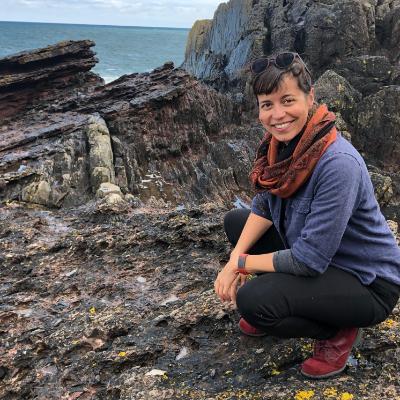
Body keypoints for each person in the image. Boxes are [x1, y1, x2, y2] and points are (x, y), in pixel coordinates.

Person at [214, 52, 400, 379]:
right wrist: (235, 256)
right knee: (236, 223)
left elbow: (308, 260)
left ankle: (337, 331)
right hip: (322, 259)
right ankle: (296, 299)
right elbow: (264, 206)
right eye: (267, 104)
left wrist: (241, 264)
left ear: (310, 97)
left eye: (288, 100)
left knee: (254, 302)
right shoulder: (281, 146)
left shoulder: (337, 164)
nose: (277, 114)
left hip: (366, 282)